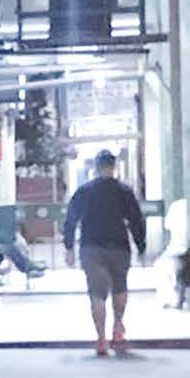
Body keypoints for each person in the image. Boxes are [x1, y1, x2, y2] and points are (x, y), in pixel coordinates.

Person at [64, 149, 147, 355]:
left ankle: (101, 339)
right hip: (119, 246)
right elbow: (136, 220)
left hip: (91, 246)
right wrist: (141, 246)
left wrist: (69, 247)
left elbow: (71, 220)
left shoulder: (84, 191)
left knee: (97, 294)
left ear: (96, 167)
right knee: (120, 287)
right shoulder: (124, 191)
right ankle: (117, 327)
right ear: (114, 167)